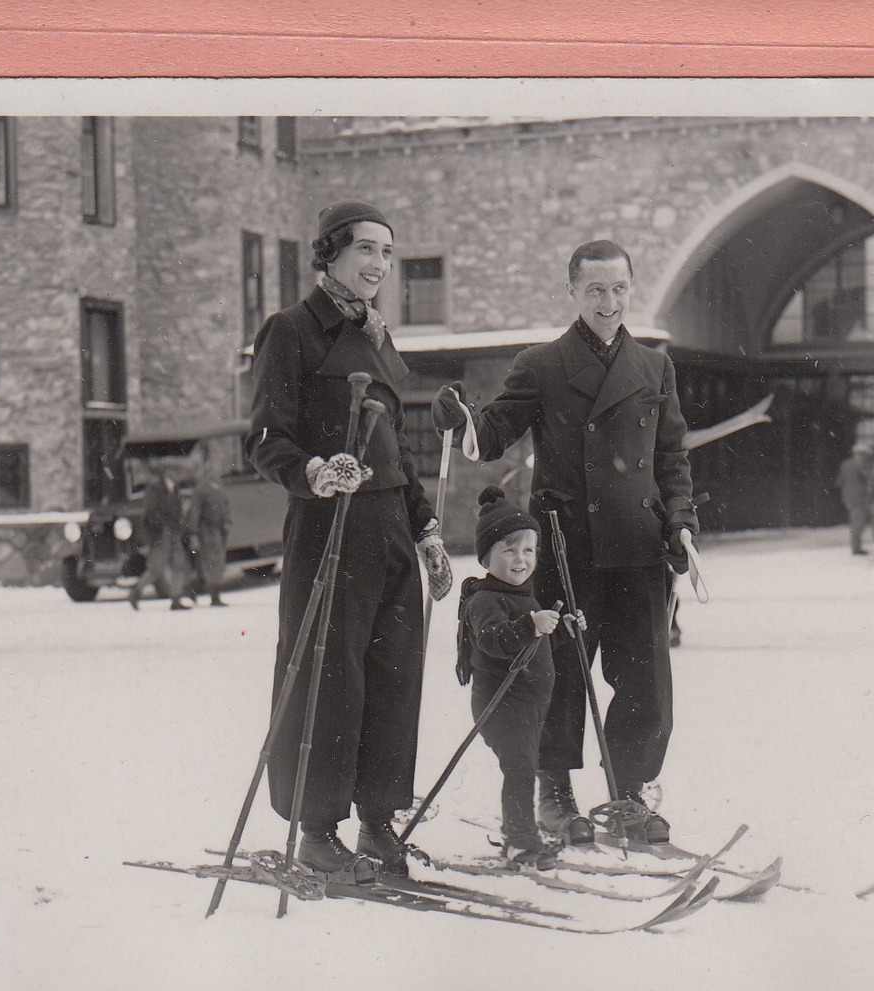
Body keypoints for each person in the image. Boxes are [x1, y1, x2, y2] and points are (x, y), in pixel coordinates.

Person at [432, 239, 696, 847]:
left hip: (639, 544)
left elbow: (670, 455)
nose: (609, 302)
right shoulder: (543, 364)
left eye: (620, 289)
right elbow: (496, 428)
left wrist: (681, 521)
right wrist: (465, 420)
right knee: (561, 675)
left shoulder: (655, 368)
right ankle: (555, 790)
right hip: (567, 547)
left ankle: (630, 792)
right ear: (572, 291)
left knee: (645, 678)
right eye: (596, 290)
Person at [246, 201, 453, 883]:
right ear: (328, 252)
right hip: (329, 527)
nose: (379, 265)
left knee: (395, 676)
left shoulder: (380, 338)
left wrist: (425, 530)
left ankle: (376, 821)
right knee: (330, 680)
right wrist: (311, 471)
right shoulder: (292, 330)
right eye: (366, 249)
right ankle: (316, 829)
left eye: (388, 254)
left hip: (389, 527)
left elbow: (397, 453)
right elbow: (266, 437)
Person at [455, 486, 586, 869]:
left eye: (528, 551)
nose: (520, 560)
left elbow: (534, 647)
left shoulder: (525, 596)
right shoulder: (484, 601)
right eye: (509, 550)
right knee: (520, 769)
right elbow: (494, 642)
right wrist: (531, 624)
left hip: (529, 704)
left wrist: (563, 629)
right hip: (501, 704)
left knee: (524, 765)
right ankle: (520, 840)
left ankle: (522, 832)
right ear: (486, 556)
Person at [127, 463, 191, 610]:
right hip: (160, 533)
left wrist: (178, 525)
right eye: (173, 470)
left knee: (179, 565)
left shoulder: (174, 489)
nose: (176, 474)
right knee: (156, 568)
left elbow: (178, 509)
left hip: (173, 531)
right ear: (165, 472)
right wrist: (164, 526)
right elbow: (151, 514)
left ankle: (176, 599)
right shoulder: (154, 489)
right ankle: (135, 593)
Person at [187, 469, 232, 607]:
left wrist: (227, 521)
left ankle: (197, 592)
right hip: (206, 530)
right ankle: (213, 596)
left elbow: (225, 506)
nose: (214, 474)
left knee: (215, 562)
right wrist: (193, 533)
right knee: (210, 562)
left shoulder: (220, 488)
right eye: (211, 472)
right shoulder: (201, 490)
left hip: (219, 530)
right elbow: (195, 512)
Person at [835, 441, 874, 555]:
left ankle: (856, 546)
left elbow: (839, 482)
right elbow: (869, 481)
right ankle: (856, 548)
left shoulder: (845, 464)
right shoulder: (862, 466)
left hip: (847, 497)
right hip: (860, 498)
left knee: (855, 521)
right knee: (858, 523)